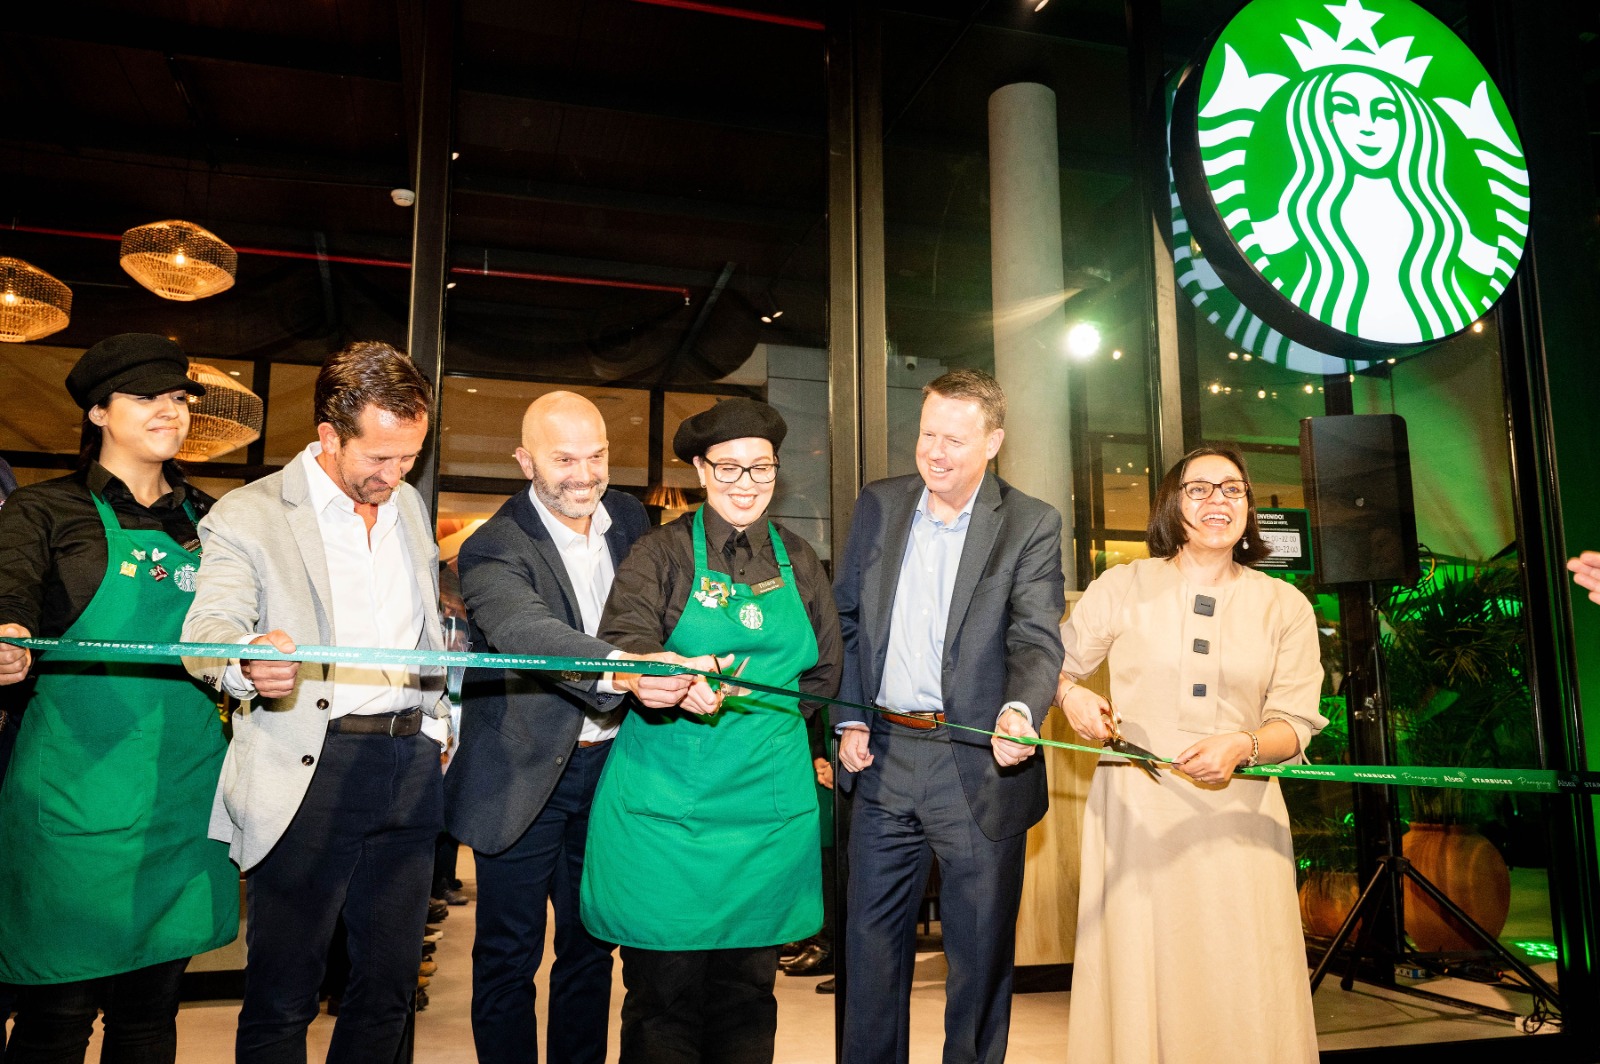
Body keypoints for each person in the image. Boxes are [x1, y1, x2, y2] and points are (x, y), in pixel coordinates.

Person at [181, 340, 448, 1064]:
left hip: (409, 766)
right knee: (284, 993)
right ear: (329, 436)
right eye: (380, 459)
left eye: (410, 457)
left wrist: (438, 720)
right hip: (309, 766)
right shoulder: (249, 513)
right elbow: (205, 632)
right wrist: (246, 661)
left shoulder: (410, 506)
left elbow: (426, 623)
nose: (396, 476)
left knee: (390, 988)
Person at [446, 391, 710, 1064]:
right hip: (521, 775)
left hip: (614, 770)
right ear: (524, 460)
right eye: (564, 459)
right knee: (508, 955)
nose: (584, 474)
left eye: (597, 456)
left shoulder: (628, 518)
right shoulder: (493, 547)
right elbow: (525, 632)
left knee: (593, 949)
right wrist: (627, 669)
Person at [582, 397, 842, 1064]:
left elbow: (823, 676)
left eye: (762, 469)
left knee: (748, 994)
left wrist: (760, 725)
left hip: (765, 816)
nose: (747, 485)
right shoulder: (660, 553)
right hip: (667, 815)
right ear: (701, 470)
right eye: (729, 470)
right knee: (663, 997)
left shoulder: (801, 559)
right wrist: (664, 676)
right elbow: (626, 646)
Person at [0, 333, 236, 1063]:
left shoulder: (212, 520)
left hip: (183, 794)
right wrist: (7, 631)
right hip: (74, 797)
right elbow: (8, 591)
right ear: (99, 412)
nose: (171, 411)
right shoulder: (44, 512)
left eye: (178, 398)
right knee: (56, 1016)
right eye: (147, 397)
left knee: (150, 1014)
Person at [1058, 445, 1327, 1064]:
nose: (1217, 503)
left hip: (1242, 821)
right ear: (1171, 505)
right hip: (1137, 816)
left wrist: (1245, 745)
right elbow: (1053, 667)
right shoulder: (1124, 585)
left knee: (1243, 973)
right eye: (1199, 489)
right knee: (1142, 968)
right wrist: (1071, 698)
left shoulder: (1285, 605)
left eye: (1233, 491)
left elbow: (1296, 723)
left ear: (1250, 509)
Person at [833, 368, 1065, 1064]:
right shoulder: (879, 505)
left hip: (976, 764)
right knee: (868, 954)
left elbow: (1034, 637)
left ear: (992, 441)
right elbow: (845, 622)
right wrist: (847, 719)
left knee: (977, 962)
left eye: (956, 440)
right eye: (928, 434)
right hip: (883, 760)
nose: (936, 452)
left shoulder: (1029, 523)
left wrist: (1021, 710)